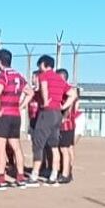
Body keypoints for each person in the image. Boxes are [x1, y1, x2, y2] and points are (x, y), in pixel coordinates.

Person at [0, 49, 29, 190]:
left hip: (4, 116)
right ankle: (20, 177)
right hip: (15, 116)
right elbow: (29, 92)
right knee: (16, 147)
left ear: (0, 62)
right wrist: (21, 106)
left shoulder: (2, 76)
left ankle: (1, 179)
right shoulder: (19, 76)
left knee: (0, 148)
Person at [31, 55, 68, 186]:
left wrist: (45, 101)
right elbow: (73, 93)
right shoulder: (59, 78)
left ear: (44, 64)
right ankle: (54, 174)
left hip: (46, 113)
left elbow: (44, 87)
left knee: (38, 143)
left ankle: (34, 175)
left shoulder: (44, 76)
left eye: (39, 65)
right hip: (57, 113)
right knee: (54, 145)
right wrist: (63, 105)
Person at [57, 68, 79, 185]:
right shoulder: (71, 90)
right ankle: (68, 170)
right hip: (70, 123)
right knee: (69, 148)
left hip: (66, 124)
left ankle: (65, 174)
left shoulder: (66, 91)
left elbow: (68, 107)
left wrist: (63, 117)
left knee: (64, 149)